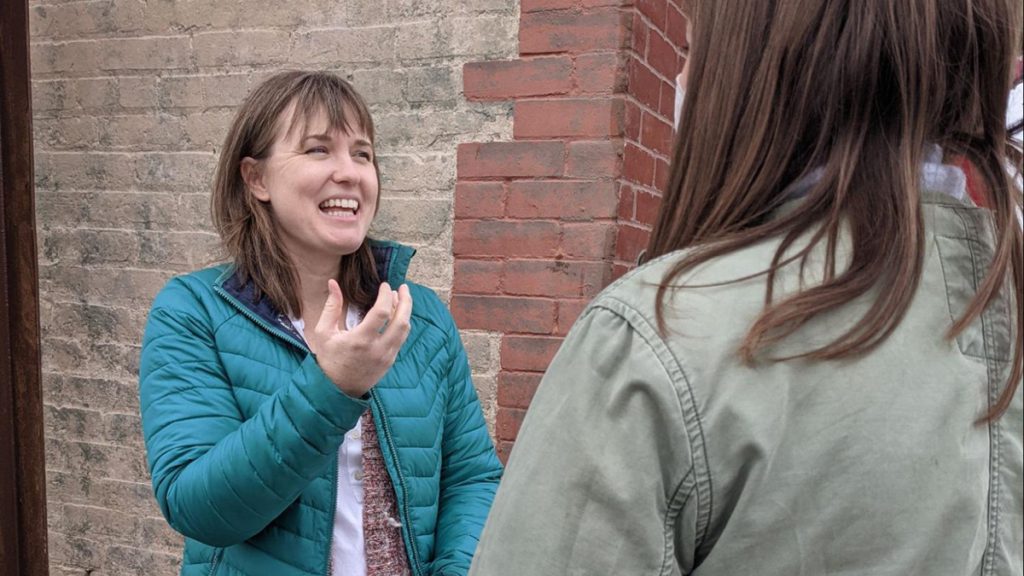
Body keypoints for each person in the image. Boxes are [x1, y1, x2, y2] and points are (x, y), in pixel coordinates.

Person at [470, 1, 1023, 574]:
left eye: (689, 50)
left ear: (750, 62)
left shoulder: (657, 341)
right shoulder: (997, 309)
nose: (682, 80)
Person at [139, 71, 502, 576]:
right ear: (256, 178)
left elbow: (471, 478)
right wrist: (329, 388)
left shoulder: (417, 316)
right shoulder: (194, 312)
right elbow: (198, 508)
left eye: (362, 153)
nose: (350, 172)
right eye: (317, 150)